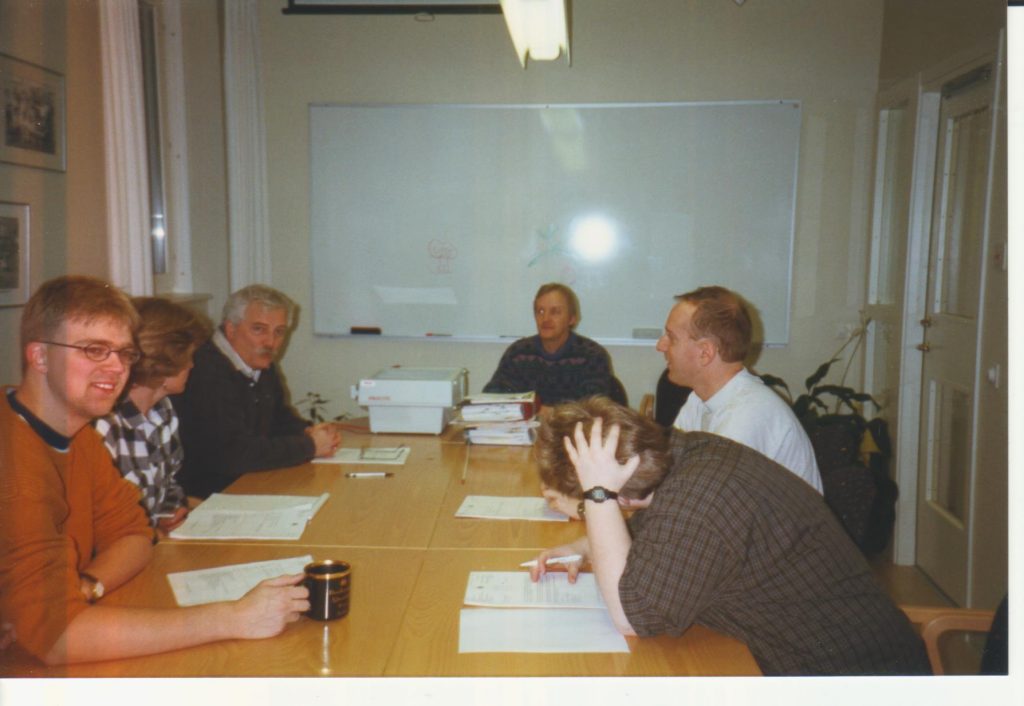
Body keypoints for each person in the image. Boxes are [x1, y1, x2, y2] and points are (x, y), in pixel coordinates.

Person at [0, 275, 309, 665]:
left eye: (124, 353)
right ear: (40, 356)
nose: (115, 369)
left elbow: (135, 535)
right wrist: (232, 616)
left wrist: (87, 587)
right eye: (94, 350)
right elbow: (59, 639)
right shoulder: (14, 463)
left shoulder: (79, 438)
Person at [529, 397, 931, 676]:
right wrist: (586, 546)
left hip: (845, 677)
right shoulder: (684, 454)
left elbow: (631, 617)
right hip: (795, 656)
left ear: (617, 493)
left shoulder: (699, 500)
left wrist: (597, 497)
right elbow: (655, 531)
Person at [173, 284, 340, 498]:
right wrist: (309, 446)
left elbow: (280, 419)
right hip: (210, 497)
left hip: (250, 483)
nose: (270, 342)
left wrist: (308, 432)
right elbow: (233, 454)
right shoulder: (205, 371)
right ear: (231, 328)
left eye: (279, 332)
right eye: (258, 329)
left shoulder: (257, 362)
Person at [657, 285, 823, 493]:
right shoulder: (698, 400)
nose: (660, 346)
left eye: (671, 338)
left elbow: (704, 499)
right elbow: (669, 472)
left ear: (705, 353)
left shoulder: (751, 413)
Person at [94, 297, 211, 532]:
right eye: (187, 356)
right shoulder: (105, 425)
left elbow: (168, 485)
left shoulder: (163, 410)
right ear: (162, 360)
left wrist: (173, 511)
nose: (191, 366)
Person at [483, 283, 625, 407]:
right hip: (523, 435)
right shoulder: (518, 353)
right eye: (540, 311)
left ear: (572, 319)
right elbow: (493, 397)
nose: (546, 319)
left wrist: (547, 412)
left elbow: (593, 408)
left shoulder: (591, 355)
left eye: (555, 312)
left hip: (572, 433)